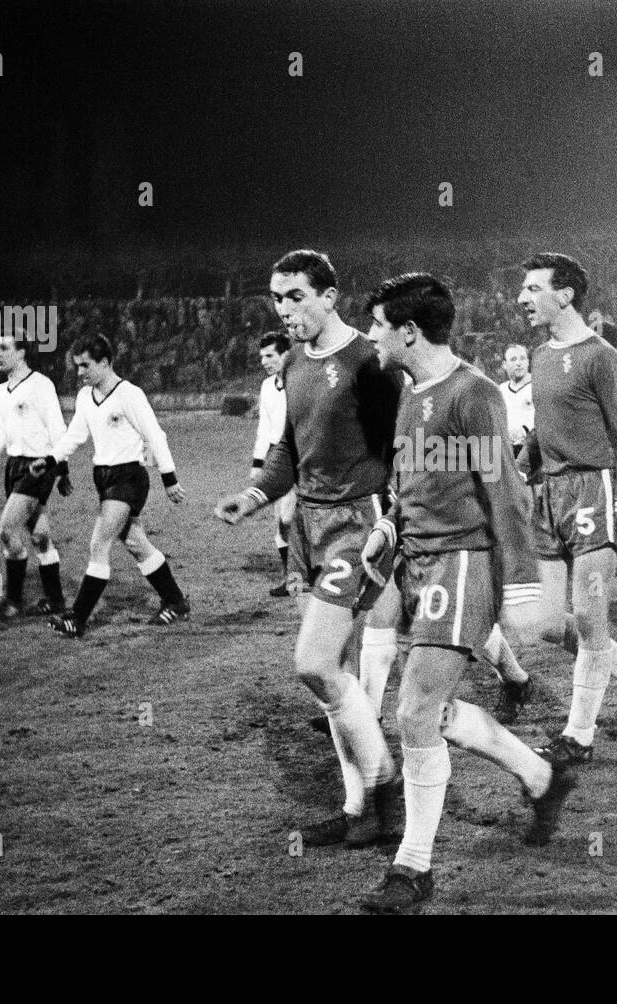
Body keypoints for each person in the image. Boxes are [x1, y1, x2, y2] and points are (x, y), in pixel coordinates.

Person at [356, 272, 575, 914]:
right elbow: (412, 481)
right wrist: (390, 527)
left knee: (413, 711)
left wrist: (524, 584)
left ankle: (413, 868)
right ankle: (540, 776)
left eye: (378, 325)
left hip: (463, 563)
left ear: (409, 331)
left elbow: (504, 493)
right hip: (417, 563)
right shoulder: (409, 391)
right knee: (435, 709)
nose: (372, 335)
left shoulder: (473, 395)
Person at [216, 249, 402, 848]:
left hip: (357, 523)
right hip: (307, 529)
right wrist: (253, 495)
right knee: (331, 678)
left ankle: (385, 782)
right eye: (276, 297)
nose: (284, 309)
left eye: (295, 296)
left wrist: (396, 524)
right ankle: (358, 810)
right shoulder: (293, 364)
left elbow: (402, 451)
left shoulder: (369, 363)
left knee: (313, 663)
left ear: (328, 295)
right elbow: (289, 452)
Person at [516, 252, 617, 753]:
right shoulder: (540, 355)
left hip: (594, 491)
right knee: (546, 622)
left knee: (591, 618)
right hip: (550, 496)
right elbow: (547, 423)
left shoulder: (601, 356)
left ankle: (578, 735)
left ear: (565, 294)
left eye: (533, 289)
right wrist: (522, 460)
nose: (522, 298)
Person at [30, 334, 190, 637]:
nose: (79, 373)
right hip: (103, 479)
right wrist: (50, 460)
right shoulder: (84, 397)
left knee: (98, 543)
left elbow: (155, 436)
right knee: (135, 543)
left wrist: (169, 478)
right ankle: (175, 601)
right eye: (77, 366)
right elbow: (74, 436)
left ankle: (76, 618)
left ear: (105, 362)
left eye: (85, 365)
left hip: (129, 478)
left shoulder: (128, 394)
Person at [0, 334, 70, 620]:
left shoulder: (40, 385)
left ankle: (13, 600)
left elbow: (57, 427)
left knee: (6, 530)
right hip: (14, 468)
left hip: (39, 467)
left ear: (22, 353)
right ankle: (56, 601)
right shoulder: (1, 392)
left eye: (4, 348)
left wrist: (62, 468)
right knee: (39, 536)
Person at [253, 331, 295, 598]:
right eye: (261, 357)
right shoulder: (268, 386)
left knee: (289, 518)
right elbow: (264, 426)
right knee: (282, 520)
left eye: (270, 356)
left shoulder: (301, 382)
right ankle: (293, 578)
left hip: (302, 458)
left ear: (285, 355)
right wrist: (258, 463)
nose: (264, 361)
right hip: (277, 458)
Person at [498, 343, 534, 457]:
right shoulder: (501, 390)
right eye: (513, 359)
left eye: (523, 359)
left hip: (532, 451)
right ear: (504, 364)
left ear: (528, 362)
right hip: (507, 450)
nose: (518, 363)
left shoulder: (538, 386)